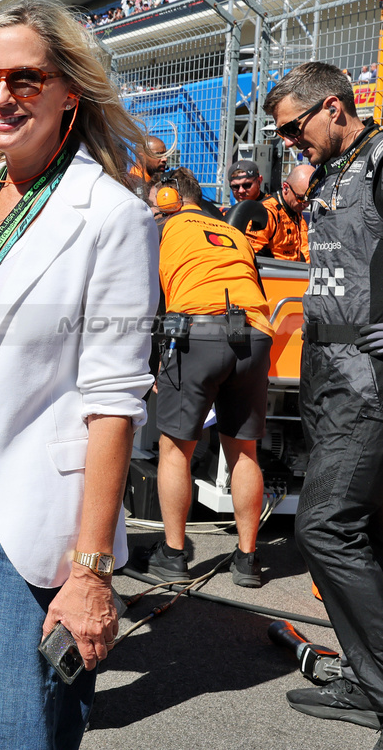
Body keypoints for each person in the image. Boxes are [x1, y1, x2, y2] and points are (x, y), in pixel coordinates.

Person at [0, 0, 157, 749]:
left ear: (66, 91)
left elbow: (113, 402)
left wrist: (89, 571)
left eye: (24, 78)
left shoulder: (113, 215)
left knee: (14, 730)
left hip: (31, 499)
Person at [264, 61, 383, 730]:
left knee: (323, 527)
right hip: (328, 377)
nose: (287, 141)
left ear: (333, 107)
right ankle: (365, 683)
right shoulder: (334, 170)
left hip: (365, 383)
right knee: (361, 532)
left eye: (293, 127)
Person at [145, 168, 271, 587]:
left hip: (196, 334)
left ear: (168, 199)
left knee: (175, 448)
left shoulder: (164, 229)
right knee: (244, 451)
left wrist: (151, 361)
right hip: (252, 335)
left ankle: (174, 554)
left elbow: (149, 296)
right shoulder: (230, 231)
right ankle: (248, 560)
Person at [245, 163, 312, 261]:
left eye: (310, 199)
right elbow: (250, 254)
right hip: (271, 273)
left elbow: (305, 251)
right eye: (301, 198)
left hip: (293, 272)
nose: (306, 204)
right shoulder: (266, 212)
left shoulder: (296, 210)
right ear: (285, 188)